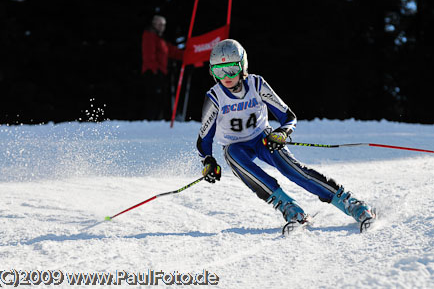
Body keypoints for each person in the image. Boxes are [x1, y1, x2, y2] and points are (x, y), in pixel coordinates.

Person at [196, 39, 376, 233]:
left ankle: (349, 202)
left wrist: (281, 133)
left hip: (263, 139)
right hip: (236, 146)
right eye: (219, 70)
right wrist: (208, 161)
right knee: (232, 155)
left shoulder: (256, 84)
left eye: (231, 68)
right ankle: (289, 207)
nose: (226, 76)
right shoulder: (215, 97)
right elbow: (204, 139)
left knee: (293, 170)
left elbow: (288, 116)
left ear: (242, 66)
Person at [141, 15, 183, 120]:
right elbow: (148, 55)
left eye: (163, 25)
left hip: (160, 72)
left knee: (160, 99)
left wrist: (188, 55)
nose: (162, 27)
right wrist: (155, 70)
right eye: (159, 24)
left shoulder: (160, 39)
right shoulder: (149, 35)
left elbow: (171, 51)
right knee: (154, 99)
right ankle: (152, 121)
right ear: (154, 24)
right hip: (153, 72)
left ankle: (157, 120)